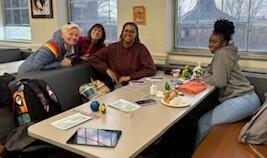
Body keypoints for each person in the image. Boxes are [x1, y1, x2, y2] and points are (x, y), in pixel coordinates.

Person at [195, 19, 261, 146]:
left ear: (224, 42)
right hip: (248, 99)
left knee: (203, 123)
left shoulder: (222, 54)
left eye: (214, 42)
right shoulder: (226, 52)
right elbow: (213, 73)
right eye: (209, 41)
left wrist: (203, 78)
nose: (210, 45)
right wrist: (207, 75)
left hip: (242, 100)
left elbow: (219, 81)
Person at [87, 22, 156, 90]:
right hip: (116, 85)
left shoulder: (141, 48)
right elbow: (93, 58)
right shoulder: (112, 47)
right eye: (126, 31)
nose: (128, 34)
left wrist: (129, 77)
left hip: (135, 85)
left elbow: (151, 69)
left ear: (136, 34)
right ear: (122, 33)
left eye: (132, 32)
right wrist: (107, 70)